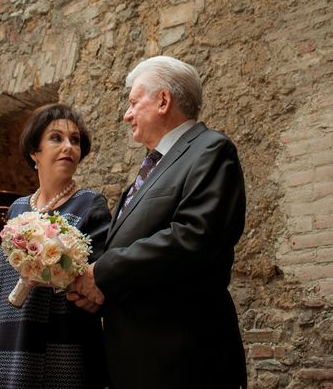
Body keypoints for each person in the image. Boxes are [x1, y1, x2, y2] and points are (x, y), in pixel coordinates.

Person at [68, 56, 248, 388]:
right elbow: (124, 246)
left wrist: (101, 275)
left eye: (135, 102)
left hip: (183, 358)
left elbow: (192, 238)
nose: (126, 114)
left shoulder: (211, 150)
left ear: (163, 100)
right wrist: (94, 285)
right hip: (138, 358)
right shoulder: (150, 168)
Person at [0, 103, 111, 389]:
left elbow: (95, 284)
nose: (68, 146)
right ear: (34, 152)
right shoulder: (16, 209)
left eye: (74, 140)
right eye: (56, 138)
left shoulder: (91, 205)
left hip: (61, 346)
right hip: (8, 342)